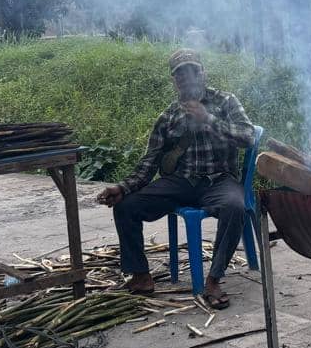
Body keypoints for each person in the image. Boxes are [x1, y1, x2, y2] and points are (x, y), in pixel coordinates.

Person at [97, 48, 254, 309]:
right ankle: (141, 276)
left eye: (192, 71)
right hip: (181, 183)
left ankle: (213, 279)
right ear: (175, 81)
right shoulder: (168, 116)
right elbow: (150, 161)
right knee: (126, 206)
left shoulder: (225, 101)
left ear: (202, 73)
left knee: (234, 207)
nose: (187, 78)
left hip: (219, 180)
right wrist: (123, 187)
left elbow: (247, 137)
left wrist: (208, 119)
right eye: (180, 74)